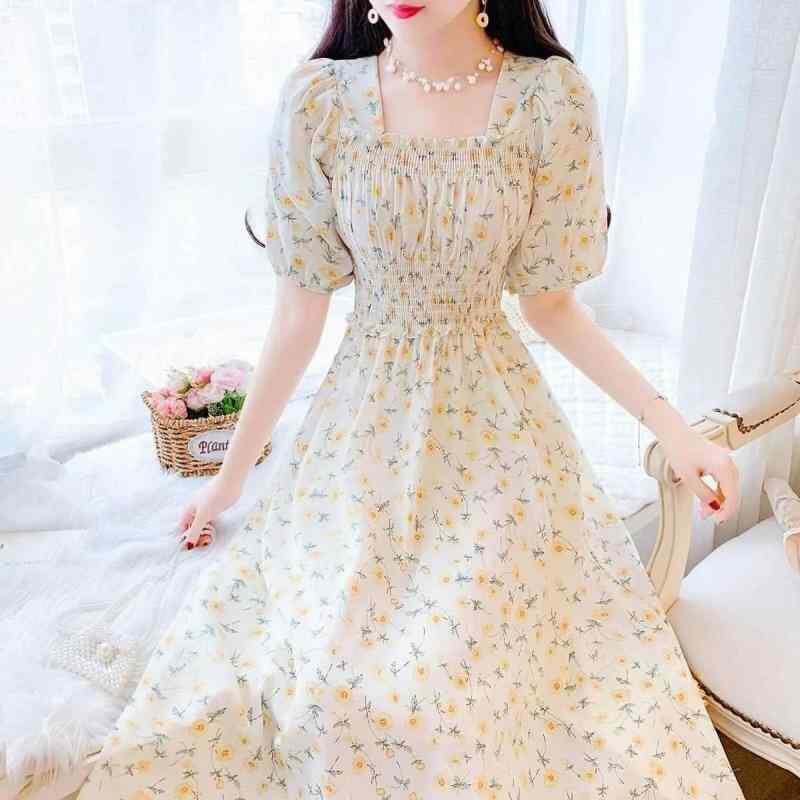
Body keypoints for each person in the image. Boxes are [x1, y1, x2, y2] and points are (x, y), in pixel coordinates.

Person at [76, 1, 746, 798]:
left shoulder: (549, 99)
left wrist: (676, 432)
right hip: (364, 428)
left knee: (466, 671)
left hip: (496, 431)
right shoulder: (320, 101)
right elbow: (297, 316)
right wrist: (229, 481)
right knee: (332, 675)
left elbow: (552, 305)